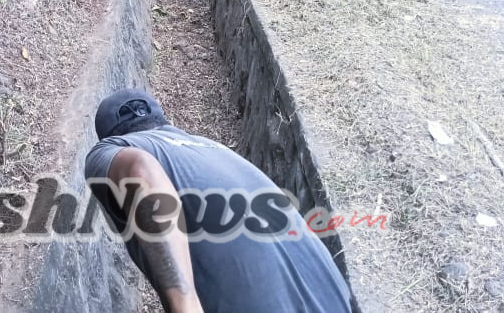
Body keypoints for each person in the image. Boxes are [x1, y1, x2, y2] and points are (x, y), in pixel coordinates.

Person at [85, 89, 353, 313]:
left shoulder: (112, 149)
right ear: (164, 122)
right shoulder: (217, 151)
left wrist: (185, 306)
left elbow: (140, 173)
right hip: (336, 298)